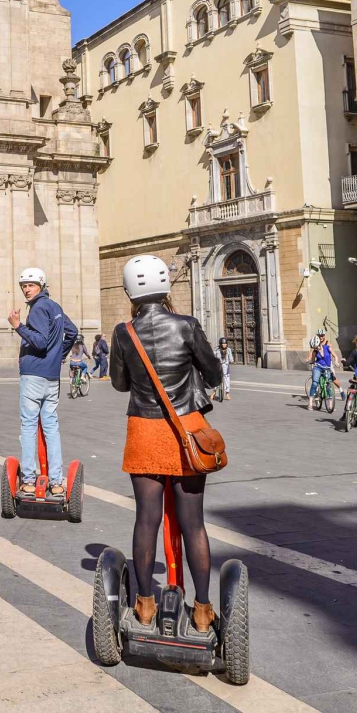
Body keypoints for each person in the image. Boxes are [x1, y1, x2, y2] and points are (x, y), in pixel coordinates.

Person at [108, 254, 222, 633]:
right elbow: (214, 374)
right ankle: (202, 611)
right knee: (194, 524)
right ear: (165, 286)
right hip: (187, 431)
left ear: (129, 291)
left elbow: (119, 383)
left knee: (146, 518)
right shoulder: (187, 325)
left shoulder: (124, 332)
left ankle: (144, 606)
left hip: (144, 431)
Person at [8, 267, 79, 497]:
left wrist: (18, 326)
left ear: (41, 285)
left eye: (30, 285)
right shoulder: (55, 307)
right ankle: (57, 482)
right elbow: (72, 332)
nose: (26, 289)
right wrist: (59, 356)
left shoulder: (38, 308)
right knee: (51, 426)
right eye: (23, 286)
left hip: (33, 375)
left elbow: (39, 342)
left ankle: (29, 480)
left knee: (29, 425)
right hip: (51, 376)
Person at [305, 329, 341, 411]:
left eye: (317, 346)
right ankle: (310, 403)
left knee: (329, 385)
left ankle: (330, 405)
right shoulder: (315, 349)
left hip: (327, 368)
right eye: (315, 347)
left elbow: (335, 356)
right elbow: (312, 358)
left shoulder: (328, 347)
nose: (316, 348)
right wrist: (309, 360)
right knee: (314, 383)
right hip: (318, 367)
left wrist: (336, 362)